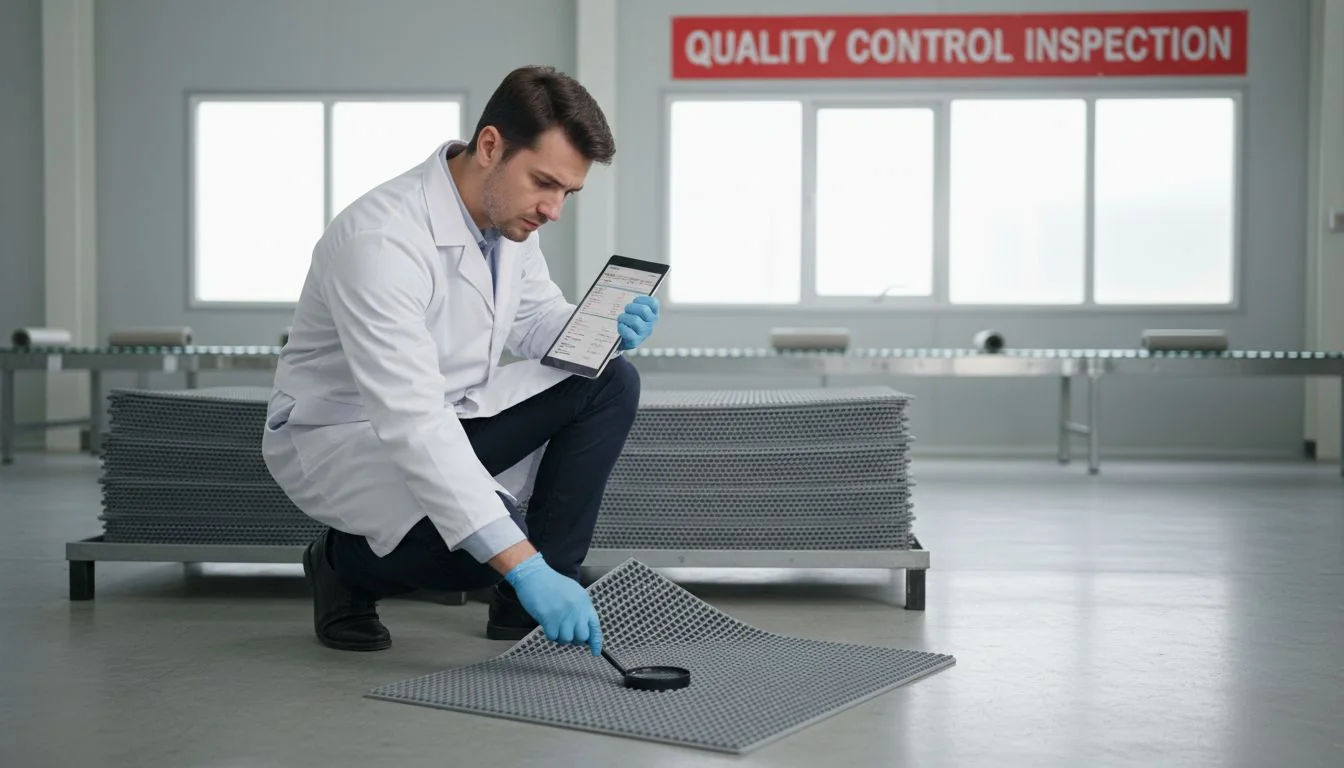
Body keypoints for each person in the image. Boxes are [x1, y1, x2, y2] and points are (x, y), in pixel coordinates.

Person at [260, 65, 660, 657]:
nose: (553, 209)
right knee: (474, 557)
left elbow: (534, 319)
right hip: (348, 433)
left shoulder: (509, 221)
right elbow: (413, 421)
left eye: (568, 193)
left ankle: (528, 602)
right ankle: (340, 565)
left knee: (609, 381)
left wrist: (600, 331)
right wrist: (522, 562)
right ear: (491, 146)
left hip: (452, 412)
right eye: (544, 183)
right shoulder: (381, 241)